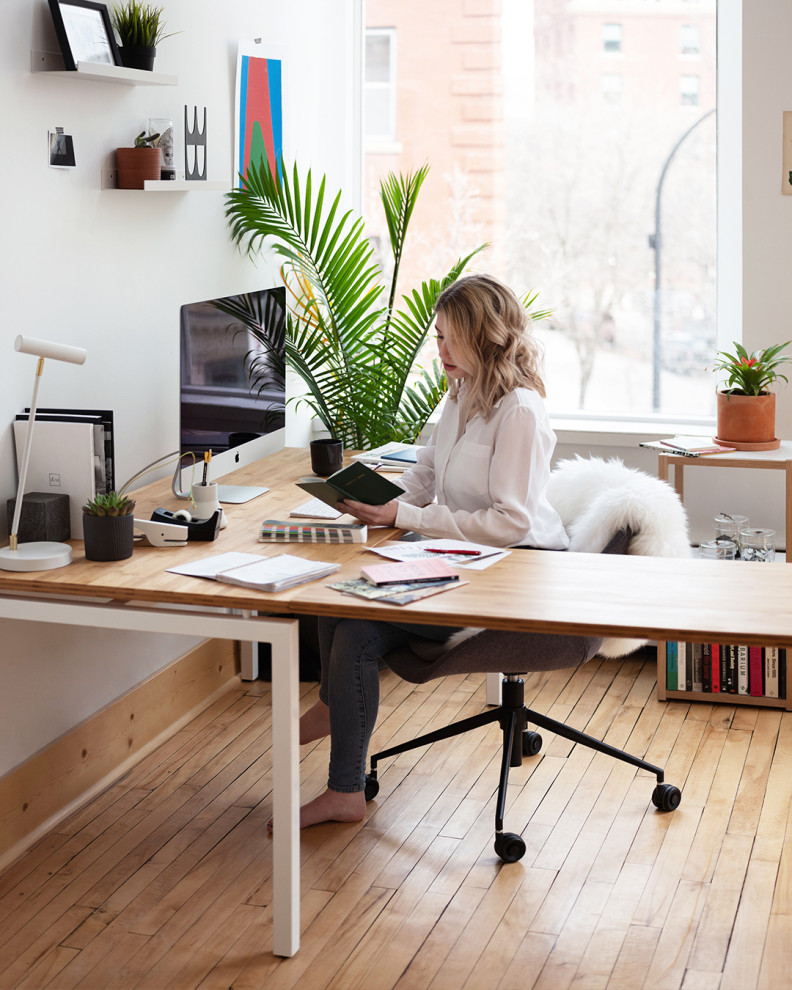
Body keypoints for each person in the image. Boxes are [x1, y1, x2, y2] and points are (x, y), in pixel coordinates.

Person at [294, 273, 569, 830]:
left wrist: (408, 518)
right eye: (436, 336)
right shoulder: (461, 391)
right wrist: (375, 501)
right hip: (466, 558)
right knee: (337, 590)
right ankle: (335, 705)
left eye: (448, 338)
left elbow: (511, 523)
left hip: (517, 573)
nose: (437, 349)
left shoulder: (520, 411)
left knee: (356, 627)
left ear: (482, 335)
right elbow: (427, 470)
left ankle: (344, 785)